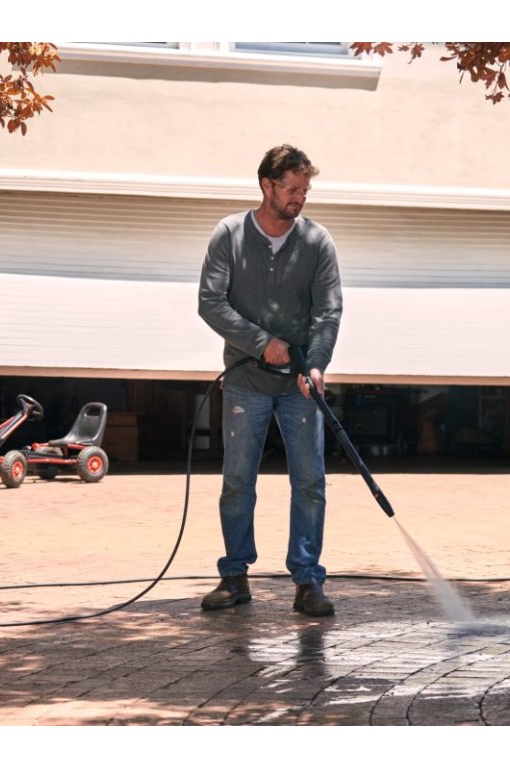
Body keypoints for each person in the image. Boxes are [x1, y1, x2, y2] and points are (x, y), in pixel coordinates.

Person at [198, 145, 342, 616]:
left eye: (305, 190)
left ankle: (308, 580)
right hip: (246, 381)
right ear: (267, 185)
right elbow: (210, 302)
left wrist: (315, 364)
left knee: (310, 482)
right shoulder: (230, 235)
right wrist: (261, 343)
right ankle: (234, 576)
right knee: (238, 480)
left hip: (300, 385)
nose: (300, 197)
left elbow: (328, 311)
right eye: (292, 189)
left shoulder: (317, 242)